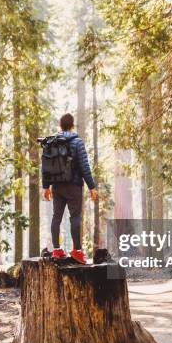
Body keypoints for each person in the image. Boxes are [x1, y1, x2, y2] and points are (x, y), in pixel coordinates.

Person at [43, 113, 97, 264]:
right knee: (75, 217)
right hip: (74, 186)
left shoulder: (51, 142)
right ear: (72, 125)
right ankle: (77, 251)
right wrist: (91, 187)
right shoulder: (77, 142)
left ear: (60, 125)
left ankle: (56, 249)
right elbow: (84, 166)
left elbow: (46, 165)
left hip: (57, 186)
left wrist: (46, 187)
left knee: (56, 217)